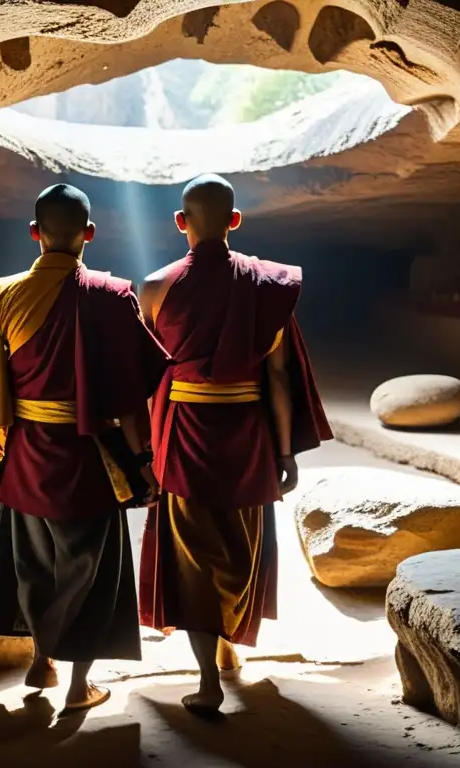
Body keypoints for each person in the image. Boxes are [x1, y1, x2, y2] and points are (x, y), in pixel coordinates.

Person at [0, 183, 169, 715]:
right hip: (88, 458)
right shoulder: (113, 295)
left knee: (32, 562)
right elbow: (132, 395)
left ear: (35, 233)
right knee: (88, 570)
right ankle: (78, 687)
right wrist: (145, 463)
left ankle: (41, 659)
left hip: (25, 453)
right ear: (89, 234)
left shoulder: (4, 293)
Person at [137, 173, 333, 714]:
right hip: (246, 432)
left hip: (183, 433)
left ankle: (207, 679)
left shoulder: (153, 288)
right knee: (241, 546)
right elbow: (277, 376)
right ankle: (227, 652)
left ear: (181, 223)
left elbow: (149, 381)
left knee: (193, 555)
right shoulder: (266, 286)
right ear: (234, 220)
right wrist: (284, 450)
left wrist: (148, 453)